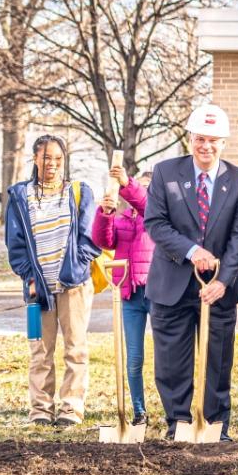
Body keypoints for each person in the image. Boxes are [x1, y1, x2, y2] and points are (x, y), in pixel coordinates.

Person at [145, 105, 238, 441]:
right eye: (200, 139)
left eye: (213, 140)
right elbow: (155, 224)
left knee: (217, 361)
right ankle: (178, 423)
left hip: (218, 289)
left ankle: (215, 425)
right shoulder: (165, 172)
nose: (206, 146)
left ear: (224, 142)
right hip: (172, 283)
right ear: (189, 138)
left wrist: (224, 280)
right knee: (172, 362)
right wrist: (192, 251)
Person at [5, 134, 100, 427]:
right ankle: (41, 410)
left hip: (74, 286)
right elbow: (15, 243)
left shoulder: (78, 191)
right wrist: (29, 277)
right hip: (39, 290)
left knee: (76, 348)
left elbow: (92, 237)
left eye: (58, 159)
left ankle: (70, 409)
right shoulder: (20, 196)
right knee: (40, 351)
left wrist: (77, 266)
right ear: (36, 159)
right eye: (47, 158)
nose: (53, 164)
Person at [91, 163, 154, 426]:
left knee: (166, 357)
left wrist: (129, 184)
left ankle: (175, 409)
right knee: (134, 357)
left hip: (158, 292)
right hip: (130, 294)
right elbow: (103, 241)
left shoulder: (159, 219)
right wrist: (105, 214)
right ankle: (139, 411)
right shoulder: (123, 220)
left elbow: (147, 205)